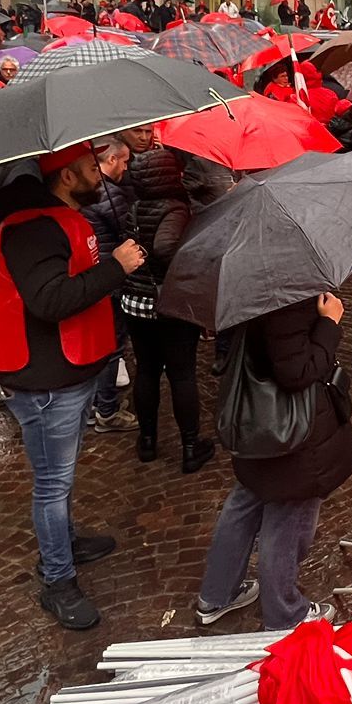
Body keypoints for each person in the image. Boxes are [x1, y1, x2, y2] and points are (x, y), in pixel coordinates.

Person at [0, 143, 142, 630]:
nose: (100, 172)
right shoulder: (33, 229)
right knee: (53, 483)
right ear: (66, 176)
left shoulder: (58, 217)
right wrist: (115, 267)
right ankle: (57, 579)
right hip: (45, 379)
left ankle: (66, 541)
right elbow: (50, 301)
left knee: (61, 478)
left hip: (67, 371)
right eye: (90, 167)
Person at [195, 290, 352, 630]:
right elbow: (297, 371)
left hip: (257, 424)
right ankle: (285, 614)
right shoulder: (287, 296)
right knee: (288, 517)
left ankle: (217, 594)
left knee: (246, 501)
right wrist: (328, 324)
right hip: (290, 434)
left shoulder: (250, 287)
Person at [120, 125, 215, 471]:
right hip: (169, 305)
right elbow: (164, 247)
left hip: (136, 303)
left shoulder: (135, 206)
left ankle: (147, 441)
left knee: (146, 370)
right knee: (182, 374)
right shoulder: (175, 208)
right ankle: (191, 447)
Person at [83, 135, 140, 435]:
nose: (126, 167)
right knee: (112, 345)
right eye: (125, 160)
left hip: (96, 275)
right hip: (112, 279)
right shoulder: (110, 194)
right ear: (112, 159)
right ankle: (106, 409)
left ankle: (96, 405)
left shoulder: (91, 191)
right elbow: (126, 230)